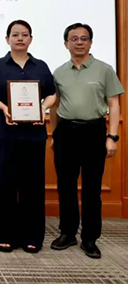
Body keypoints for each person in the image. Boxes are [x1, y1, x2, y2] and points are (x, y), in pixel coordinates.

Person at [0, 20, 56, 253]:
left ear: (31, 39)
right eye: (15, 35)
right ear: (7, 39)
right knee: (5, 184)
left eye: (24, 34)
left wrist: (43, 108)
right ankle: (5, 234)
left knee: (33, 186)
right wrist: (4, 108)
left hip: (33, 135)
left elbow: (52, 94)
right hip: (5, 133)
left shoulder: (41, 66)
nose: (20, 38)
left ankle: (31, 236)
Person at [50, 23, 123, 259]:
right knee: (66, 186)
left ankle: (90, 238)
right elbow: (55, 106)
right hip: (66, 132)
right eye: (74, 39)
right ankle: (68, 232)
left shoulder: (105, 70)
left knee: (92, 188)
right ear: (66, 44)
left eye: (84, 38)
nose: (79, 42)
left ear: (90, 43)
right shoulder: (59, 72)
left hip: (94, 131)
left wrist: (112, 136)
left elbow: (114, 104)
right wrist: (54, 134)